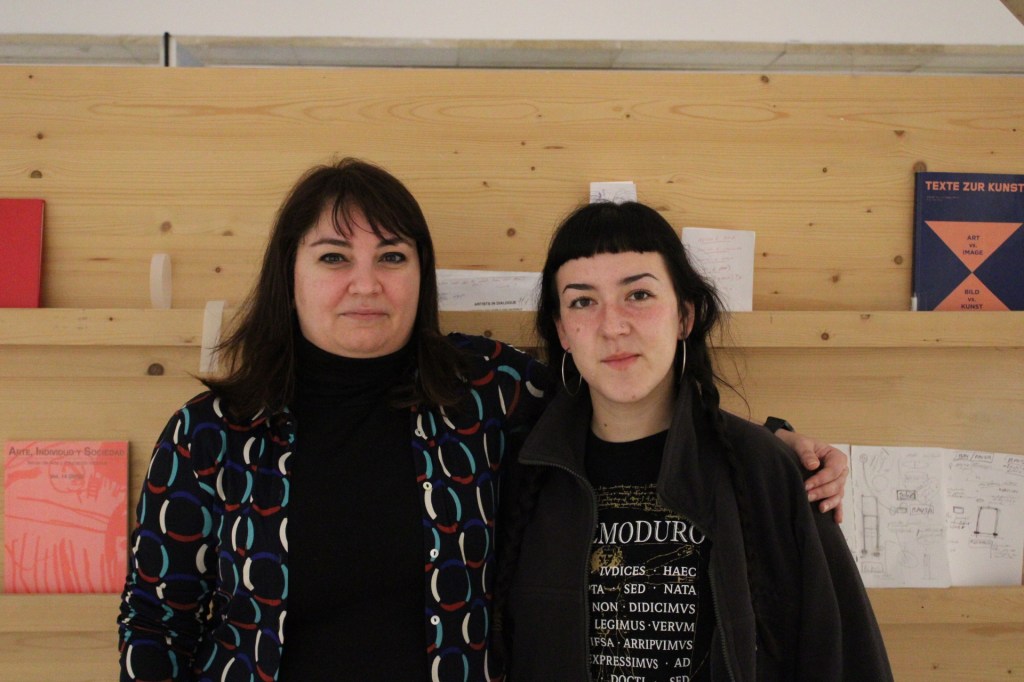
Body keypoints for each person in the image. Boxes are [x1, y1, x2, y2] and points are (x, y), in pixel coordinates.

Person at [117, 159, 850, 681]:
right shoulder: (211, 434)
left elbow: (622, 395)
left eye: (392, 256)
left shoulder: (486, 391)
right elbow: (155, 621)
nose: (366, 283)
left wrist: (771, 448)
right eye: (334, 257)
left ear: (421, 275)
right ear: (290, 275)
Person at [497, 201, 892, 681]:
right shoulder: (522, 476)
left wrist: (770, 444)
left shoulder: (768, 471)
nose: (613, 326)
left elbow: (845, 657)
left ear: (685, 315)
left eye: (638, 294)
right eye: (583, 301)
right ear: (562, 331)